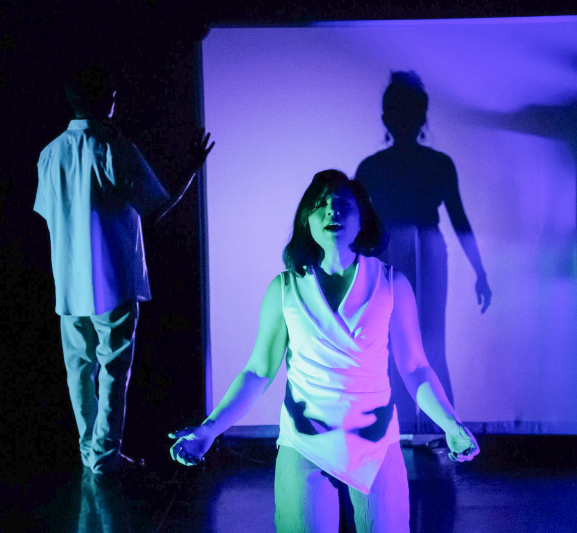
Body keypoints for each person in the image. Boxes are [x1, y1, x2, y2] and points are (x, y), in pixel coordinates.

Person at [169, 170, 479, 532]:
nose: (332, 211)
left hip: (375, 444)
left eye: (342, 204)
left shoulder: (392, 283)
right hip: (305, 443)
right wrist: (209, 429)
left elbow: (415, 367)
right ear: (307, 221)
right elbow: (258, 372)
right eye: (320, 205)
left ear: (362, 217)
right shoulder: (284, 287)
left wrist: (450, 424)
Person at [34, 64, 214, 474]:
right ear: (103, 99)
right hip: (112, 279)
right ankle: (104, 457)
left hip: (68, 282)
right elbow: (155, 209)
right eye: (112, 97)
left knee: (79, 371)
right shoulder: (114, 146)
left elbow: (48, 215)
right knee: (113, 371)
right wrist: (190, 169)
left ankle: (93, 455)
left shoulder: (49, 154)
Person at [355, 71, 491, 435]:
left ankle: (433, 431)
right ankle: (426, 431)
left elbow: (460, 220)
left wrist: (481, 272)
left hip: (415, 256)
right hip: (393, 257)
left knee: (422, 343)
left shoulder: (377, 168)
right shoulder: (382, 168)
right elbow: (459, 220)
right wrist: (481, 273)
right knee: (411, 344)